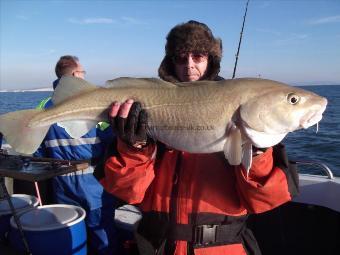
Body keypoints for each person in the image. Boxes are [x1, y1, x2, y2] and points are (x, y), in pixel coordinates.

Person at [100, 21, 299, 255]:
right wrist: (134, 146)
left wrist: (256, 153)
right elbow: (127, 193)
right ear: (170, 61)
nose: (189, 66)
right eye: (181, 58)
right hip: (157, 246)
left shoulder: (252, 122)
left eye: (198, 56)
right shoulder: (143, 108)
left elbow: (264, 199)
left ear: (211, 59)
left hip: (223, 247)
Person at [15, 55, 122, 255]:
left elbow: (35, 149)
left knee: (71, 238)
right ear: (75, 75)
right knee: (103, 238)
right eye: (83, 72)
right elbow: (113, 138)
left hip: (61, 186)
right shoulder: (93, 103)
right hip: (95, 186)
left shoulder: (44, 106)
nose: (85, 76)